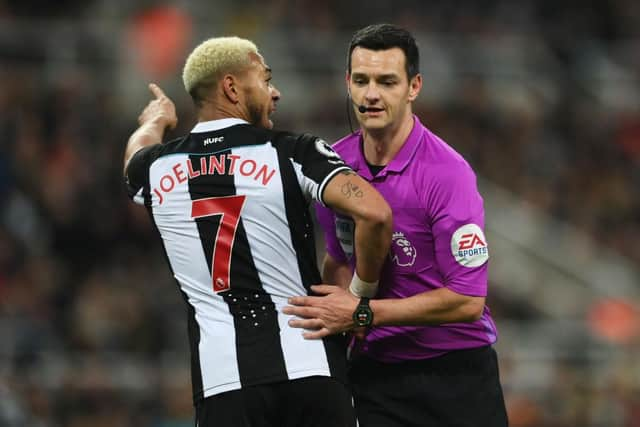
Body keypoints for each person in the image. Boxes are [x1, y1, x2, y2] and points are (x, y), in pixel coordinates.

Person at [122, 36, 392, 427]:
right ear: (232, 87)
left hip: (223, 381)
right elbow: (376, 213)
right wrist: (359, 297)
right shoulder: (292, 151)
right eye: (266, 79)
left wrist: (154, 121)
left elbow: (135, 155)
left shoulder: (156, 169)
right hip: (309, 364)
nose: (275, 92)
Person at [283, 24, 509, 426]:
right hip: (376, 377)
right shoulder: (333, 166)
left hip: (455, 373)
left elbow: (468, 301)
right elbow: (339, 257)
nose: (371, 94)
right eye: (362, 80)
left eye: (387, 81)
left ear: (413, 86)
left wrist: (363, 314)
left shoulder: (447, 174)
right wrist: (336, 318)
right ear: (347, 83)